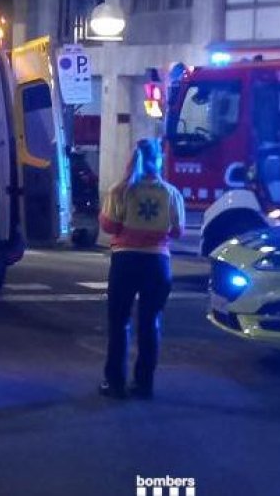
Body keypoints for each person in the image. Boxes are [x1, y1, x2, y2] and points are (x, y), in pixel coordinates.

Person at [99, 137, 185, 400]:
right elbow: (178, 231)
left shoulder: (120, 191)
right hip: (157, 264)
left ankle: (115, 384)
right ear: (158, 161)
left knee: (119, 322)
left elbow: (108, 226)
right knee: (150, 324)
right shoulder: (170, 193)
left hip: (125, 262)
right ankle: (144, 384)